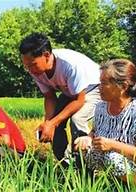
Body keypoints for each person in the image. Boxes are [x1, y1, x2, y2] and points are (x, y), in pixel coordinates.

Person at [74, 59, 136, 181]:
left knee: (112, 158)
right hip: (122, 160)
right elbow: (96, 130)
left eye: (104, 83)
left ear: (123, 86)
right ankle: (103, 182)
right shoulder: (101, 106)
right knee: (88, 152)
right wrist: (88, 137)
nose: (99, 87)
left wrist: (112, 145)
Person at [19, 32, 101, 163]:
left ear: (46, 55)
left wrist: (52, 122)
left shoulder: (70, 65)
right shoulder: (35, 70)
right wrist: (48, 123)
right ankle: (64, 163)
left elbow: (79, 100)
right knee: (53, 124)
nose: (30, 70)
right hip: (70, 92)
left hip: (93, 88)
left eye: (33, 64)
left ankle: (84, 165)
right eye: (26, 66)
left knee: (77, 119)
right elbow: (49, 97)